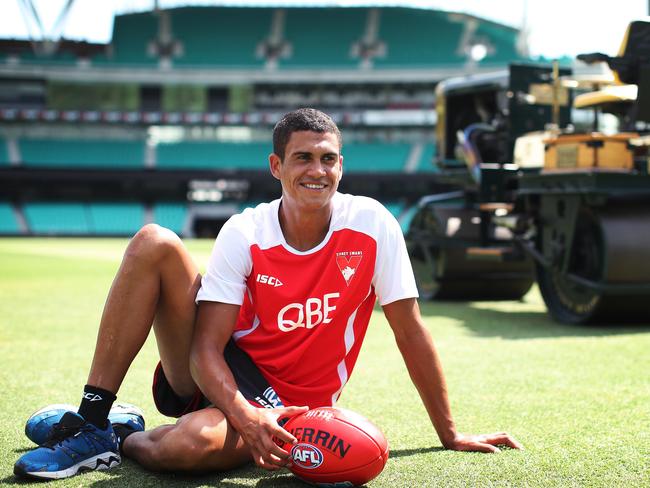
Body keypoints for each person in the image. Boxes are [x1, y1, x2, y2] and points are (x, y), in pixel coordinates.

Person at [14, 108, 523, 480]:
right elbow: (206, 347)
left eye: (329, 159)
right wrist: (242, 413)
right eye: (303, 158)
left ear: (341, 166)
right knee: (154, 242)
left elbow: (410, 332)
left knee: (188, 450)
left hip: (294, 406)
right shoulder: (245, 230)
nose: (317, 171)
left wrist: (449, 433)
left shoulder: (372, 226)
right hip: (211, 372)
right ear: (276, 166)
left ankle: (122, 437)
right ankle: (95, 420)